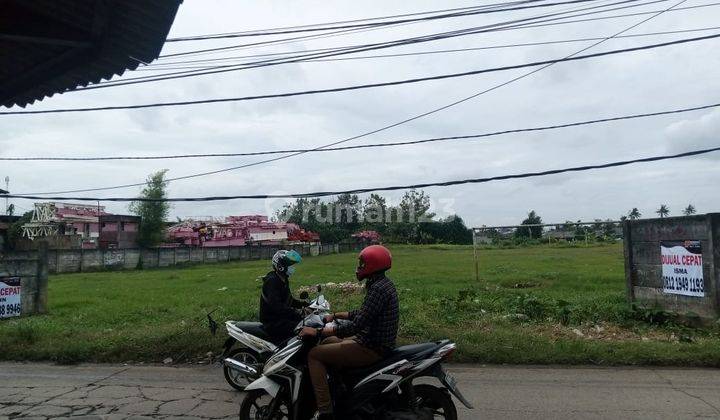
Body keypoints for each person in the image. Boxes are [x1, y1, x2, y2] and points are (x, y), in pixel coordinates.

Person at [300, 245, 399, 420]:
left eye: (362, 264)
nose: (359, 267)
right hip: (372, 341)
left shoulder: (378, 289)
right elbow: (365, 313)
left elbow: (356, 326)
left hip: (371, 347)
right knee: (328, 344)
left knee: (315, 354)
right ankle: (341, 388)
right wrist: (336, 315)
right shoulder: (382, 283)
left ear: (373, 265)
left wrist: (319, 332)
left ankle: (325, 411)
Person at [260, 250, 305, 345]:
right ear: (280, 266)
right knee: (303, 328)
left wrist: (306, 305)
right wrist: (297, 312)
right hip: (273, 322)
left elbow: (289, 300)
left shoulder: (283, 279)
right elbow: (277, 306)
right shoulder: (272, 282)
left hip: (282, 318)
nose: (292, 268)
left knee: (306, 322)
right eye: (289, 265)